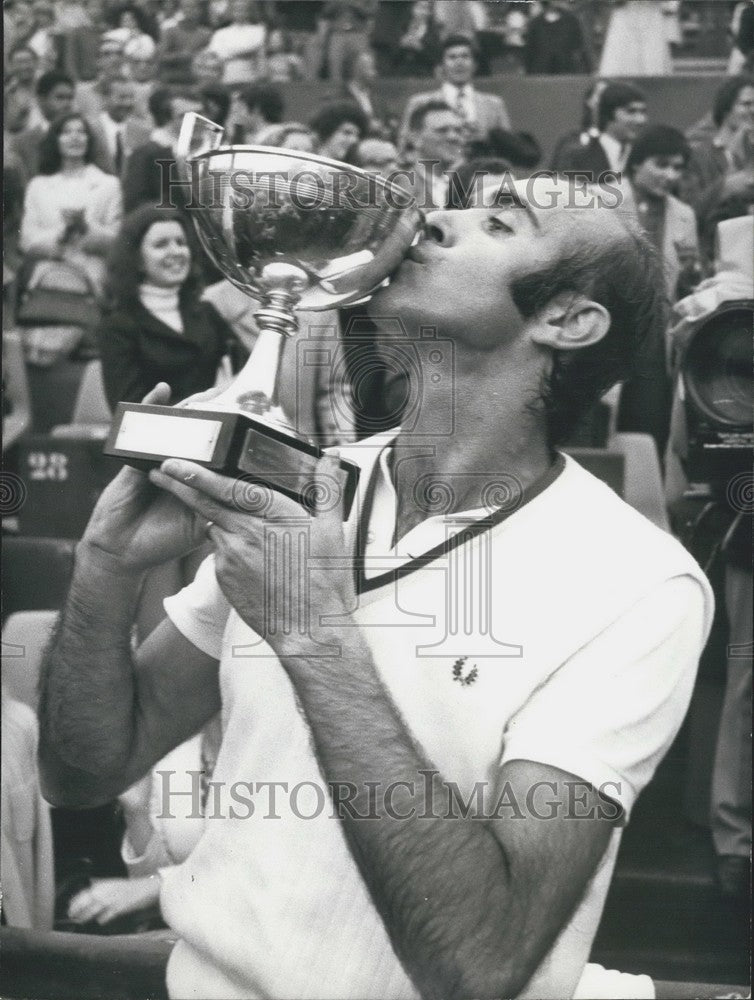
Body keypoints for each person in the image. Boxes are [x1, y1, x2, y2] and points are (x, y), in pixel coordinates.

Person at [39, 176, 713, 1000]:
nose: (427, 218)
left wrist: (312, 633)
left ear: (565, 320)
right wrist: (105, 567)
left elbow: (478, 964)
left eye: (499, 221)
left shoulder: (640, 582)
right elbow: (81, 772)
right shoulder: (306, 481)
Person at [97, 206, 234, 409]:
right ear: (137, 259)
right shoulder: (117, 326)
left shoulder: (207, 312)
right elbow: (126, 408)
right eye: (161, 245)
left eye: (181, 242)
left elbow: (245, 370)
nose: (176, 251)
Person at [616, 125, 698, 463]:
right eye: (661, 164)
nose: (670, 175)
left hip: (654, 344)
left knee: (649, 432)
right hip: (606, 334)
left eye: (677, 168)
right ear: (636, 164)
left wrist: (694, 273)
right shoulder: (599, 201)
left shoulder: (684, 214)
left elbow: (688, 286)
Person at [20, 111, 123, 295]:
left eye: (81, 132)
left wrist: (85, 228)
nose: (75, 137)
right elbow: (27, 240)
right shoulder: (38, 186)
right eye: (66, 132)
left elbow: (118, 240)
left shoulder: (109, 185)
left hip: (93, 278)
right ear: (55, 140)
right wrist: (60, 235)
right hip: (47, 278)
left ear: (89, 140)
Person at [398, 34, 511, 150]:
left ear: (475, 65)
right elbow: (405, 148)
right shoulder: (419, 103)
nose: (459, 63)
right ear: (441, 66)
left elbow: (508, 150)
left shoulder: (494, 105)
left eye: (465, 57)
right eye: (452, 57)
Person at [552, 81, 648, 180]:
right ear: (609, 113)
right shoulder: (576, 156)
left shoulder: (645, 158)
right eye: (631, 111)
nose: (640, 120)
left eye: (643, 112)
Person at [402, 100, 465, 209]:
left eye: (458, 131)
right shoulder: (398, 188)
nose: (453, 137)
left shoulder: (472, 186)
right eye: (442, 130)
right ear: (415, 138)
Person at [207, 0, 267, 88]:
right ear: (231, 11)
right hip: (226, 80)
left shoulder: (258, 30)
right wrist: (244, 53)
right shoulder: (220, 33)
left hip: (251, 80)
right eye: (237, 9)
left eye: (244, 9)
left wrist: (228, 52)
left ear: (249, 12)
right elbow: (216, 54)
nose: (240, 12)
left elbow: (254, 47)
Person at [523, 0, 591, 75]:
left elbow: (580, 49)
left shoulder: (571, 22)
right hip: (540, 76)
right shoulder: (535, 24)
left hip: (565, 76)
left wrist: (589, 70)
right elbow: (529, 53)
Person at [157, 0, 212, 86]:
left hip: (197, 81)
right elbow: (161, 57)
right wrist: (181, 56)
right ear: (180, 10)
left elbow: (209, 59)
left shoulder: (206, 34)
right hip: (173, 79)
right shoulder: (170, 32)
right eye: (186, 7)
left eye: (193, 7)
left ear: (199, 10)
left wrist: (196, 56)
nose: (189, 10)